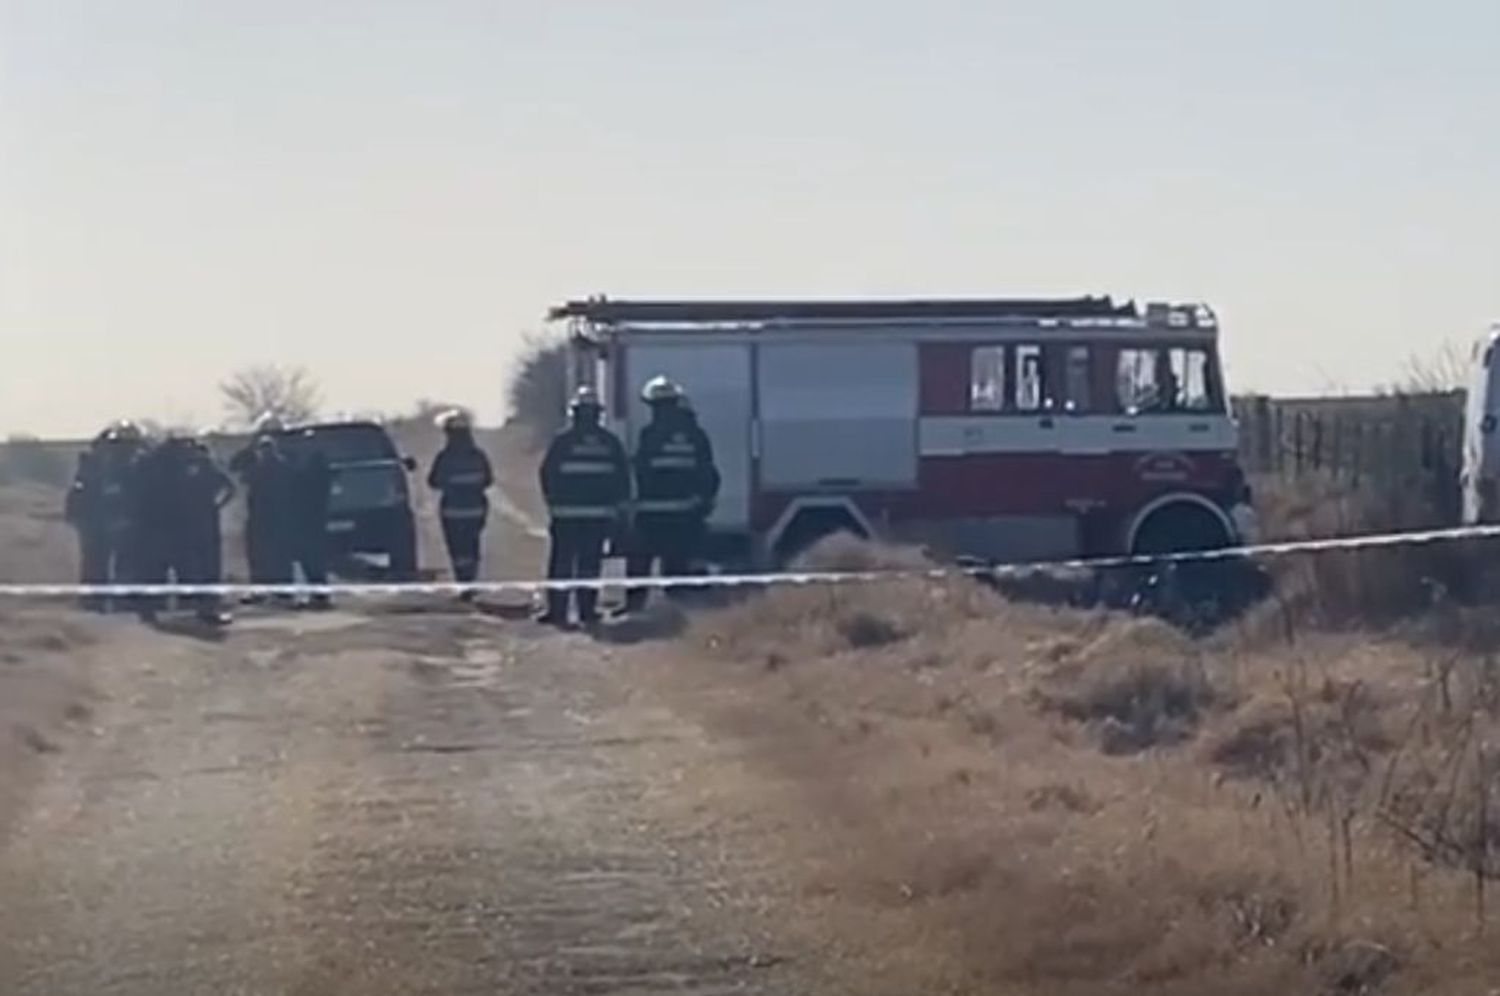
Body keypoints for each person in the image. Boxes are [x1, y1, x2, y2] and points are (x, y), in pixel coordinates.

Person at [622, 376, 719, 614]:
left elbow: (640, 471)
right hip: (685, 514)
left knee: (639, 564)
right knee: (677, 564)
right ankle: (675, 611)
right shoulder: (696, 436)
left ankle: (635, 608)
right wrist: (703, 501)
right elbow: (708, 473)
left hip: (651, 514)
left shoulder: (649, 435)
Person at [536, 385, 630, 626]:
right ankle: (587, 612)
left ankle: (557, 612)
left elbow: (547, 473)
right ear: (597, 413)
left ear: (575, 412)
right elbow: (622, 479)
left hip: (565, 516)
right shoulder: (609, 443)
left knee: (561, 565)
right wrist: (619, 510)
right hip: (598, 517)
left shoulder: (563, 442)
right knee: (589, 564)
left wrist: (552, 502)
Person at [131, 433, 235, 625]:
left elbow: (227, 486)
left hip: (164, 524)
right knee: (186, 570)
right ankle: (200, 610)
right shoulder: (189, 462)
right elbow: (227, 486)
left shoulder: (151, 463)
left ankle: (150, 611)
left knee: (166, 570)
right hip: (177, 524)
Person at [64, 421, 145, 612]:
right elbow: (82, 490)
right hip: (96, 518)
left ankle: (121, 600)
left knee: (125, 561)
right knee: (95, 560)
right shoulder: (94, 464)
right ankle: (94, 600)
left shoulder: (137, 464)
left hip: (122, 517)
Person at [427, 410, 494, 600]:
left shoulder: (445, 457)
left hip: (452, 512)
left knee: (458, 549)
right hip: (476, 510)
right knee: (472, 547)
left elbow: (432, 482)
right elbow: (488, 480)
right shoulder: (478, 456)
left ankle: (464, 584)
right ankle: (469, 582)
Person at [229, 415, 295, 601]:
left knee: (261, 555)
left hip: (263, 516)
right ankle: (282, 591)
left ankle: (264, 590)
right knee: (277, 555)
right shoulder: (284, 465)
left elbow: (239, 471)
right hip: (277, 516)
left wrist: (251, 446)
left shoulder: (260, 468)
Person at [290, 428, 334, 608]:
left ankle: (320, 595)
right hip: (306, 515)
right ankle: (316, 593)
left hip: (313, 515)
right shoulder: (306, 461)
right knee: (308, 557)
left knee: (313, 557)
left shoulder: (318, 463)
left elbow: (315, 488)